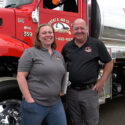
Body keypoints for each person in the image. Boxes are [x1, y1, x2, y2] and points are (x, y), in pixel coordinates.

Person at [62, 18, 113, 125]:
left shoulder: (96, 44)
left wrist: (102, 80)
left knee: (91, 122)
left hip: (89, 91)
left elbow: (109, 62)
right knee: (76, 121)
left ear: (86, 29)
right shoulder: (67, 47)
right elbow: (61, 66)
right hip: (72, 92)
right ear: (72, 30)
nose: (79, 31)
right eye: (76, 29)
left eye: (82, 28)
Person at [17, 24, 67, 125]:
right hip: (36, 104)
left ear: (53, 35)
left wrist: (63, 89)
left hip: (56, 104)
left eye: (50, 32)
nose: (47, 35)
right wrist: (28, 99)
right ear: (38, 37)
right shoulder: (30, 53)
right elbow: (20, 76)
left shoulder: (58, 55)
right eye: (44, 33)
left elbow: (63, 74)